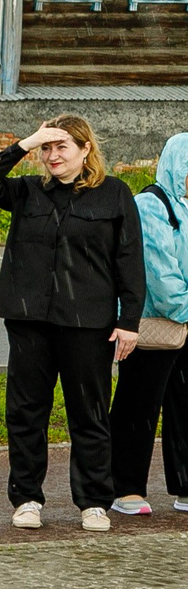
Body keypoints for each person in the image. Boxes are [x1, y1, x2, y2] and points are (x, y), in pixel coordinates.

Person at [0, 115, 144, 533]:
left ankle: (94, 501)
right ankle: (27, 498)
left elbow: (130, 261)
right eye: (47, 148)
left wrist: (130, 320)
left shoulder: (114, 194)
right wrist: (24, 143)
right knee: (27, 412)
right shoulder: (26, 191)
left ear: (86, 150)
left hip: (88, 323)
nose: (52, 155)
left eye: (62, 146)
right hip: (29, 320)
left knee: (90, 413)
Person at [114, 132, 188, 516]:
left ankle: (185, 487)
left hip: (187, 321)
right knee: (139, 403)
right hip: (153, 321)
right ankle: (125, 487)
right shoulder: (150, 204)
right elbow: (158, 271)